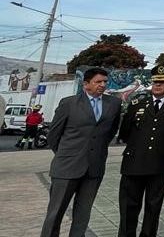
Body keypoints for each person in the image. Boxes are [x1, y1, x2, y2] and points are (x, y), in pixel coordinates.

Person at [40, 67, 122, 237]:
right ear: (86, 84)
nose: (102, 85)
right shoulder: (68, 103)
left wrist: (96, 151)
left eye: (105, 82)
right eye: (98, 82)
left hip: (94, 168)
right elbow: (54, 135)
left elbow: (110, 132)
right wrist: (67, 154)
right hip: (67, 167)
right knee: (55, 212)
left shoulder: (114, 104)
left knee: (83, 214)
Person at [117, 64, 164, 237]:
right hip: (134, 163)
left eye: (163, 82)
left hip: (159, 163)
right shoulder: (136, 104)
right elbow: (125, 132)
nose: (158, 85)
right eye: (155, 81)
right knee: (128, 207)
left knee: (153, 207)